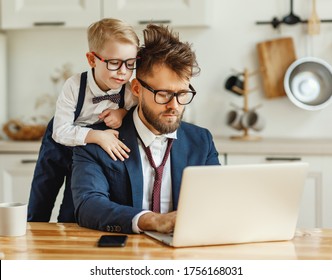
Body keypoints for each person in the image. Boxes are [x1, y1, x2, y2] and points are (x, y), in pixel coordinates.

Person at [71, 24, 220, 234]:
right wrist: (151, 220)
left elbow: (217, 200)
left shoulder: (201, 141)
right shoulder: (96, 140)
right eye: (163, 94)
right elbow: (88, 205)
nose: (174, 106)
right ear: (137, 89)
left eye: (182, 94)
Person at [28, 18, 140, 222]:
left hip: (88, 152)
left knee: (74, 201)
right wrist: (96, 135)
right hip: (59, 145)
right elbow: (60, 131)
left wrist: (122, 112)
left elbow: (139, 108)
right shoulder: (74, 85)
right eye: (114, 63)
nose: (124, 71)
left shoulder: (129, 90)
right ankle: (34, 232)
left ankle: (68, 239)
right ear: (91, 59)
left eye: (130, 64)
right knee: (43, 191)